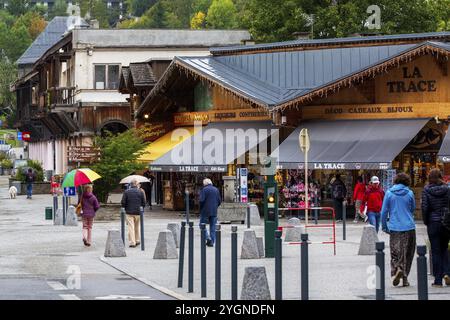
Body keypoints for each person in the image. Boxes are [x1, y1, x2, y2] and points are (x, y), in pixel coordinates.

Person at [381, 173, 416, 287]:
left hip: (395, 227)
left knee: (395, 251)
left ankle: (397, 268)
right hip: (409, 227)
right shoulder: (410, 193)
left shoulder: (389, 193)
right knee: (408, 253)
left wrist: (384, 226)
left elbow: (384, 212)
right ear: (407, 182)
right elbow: (412, 208)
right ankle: (405, 278)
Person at [421, 168, 450, 288]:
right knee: (445, 249)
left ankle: (438, 280)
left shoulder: (426, 190)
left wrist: (426, 221)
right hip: (446, 223)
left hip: (433, 223)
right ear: (440, 176)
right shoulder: (447, 189)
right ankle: (447, 273)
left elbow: (425, 207)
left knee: (435, 251)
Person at [121, 179, 146, 248]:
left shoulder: (126, 192)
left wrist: (125, 208)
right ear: (136, 184)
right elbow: (144, 202)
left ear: (131, 185)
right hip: (138, 212)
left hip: (129, 212)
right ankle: (137, 240)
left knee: (131, 227)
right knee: (137, 227)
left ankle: (132, 242)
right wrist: (141, 209)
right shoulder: (140, 192)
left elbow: (123, 202)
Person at [199, 178, 221, 247]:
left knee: (201, 225)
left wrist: (201, 208)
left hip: (205, 211)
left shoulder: (204, 190)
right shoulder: (216, 189)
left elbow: (201, 200)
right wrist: (215, 206)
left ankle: (208, 238)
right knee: (213, 227)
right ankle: (212, 241)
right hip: (214, 210)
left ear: (205, 183)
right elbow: (219, 201)